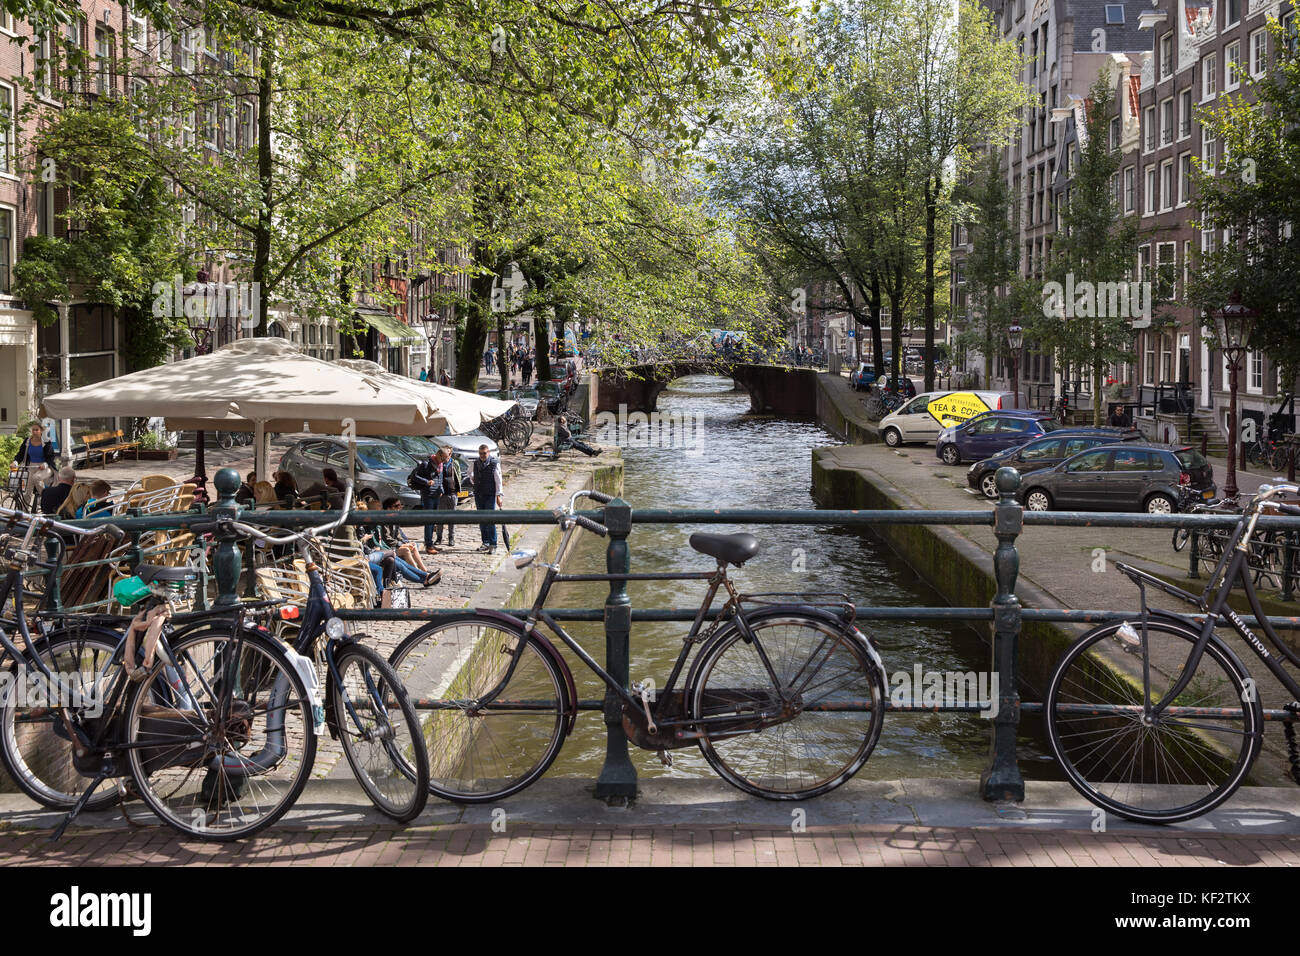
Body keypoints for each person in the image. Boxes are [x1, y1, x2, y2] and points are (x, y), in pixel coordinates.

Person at [379, 497, 437, 576]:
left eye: (400, 505)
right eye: (396, 506)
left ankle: (424, 570)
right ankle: (420, 573)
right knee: (406, 550)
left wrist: (405, 542)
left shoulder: (395, 517)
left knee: (413, 545)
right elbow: (387, 539)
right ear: (388, 508)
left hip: (394, 545)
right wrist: (401, 544)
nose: (399, 508)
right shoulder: (384, 520)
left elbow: (398, 535)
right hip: (387, 548)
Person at [407, 451, 443, 554]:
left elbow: (440, 478)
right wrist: (426, 482)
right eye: (443, 458)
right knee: (429, 521)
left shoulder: (440, 464)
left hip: (436, 494)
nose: (445, 460)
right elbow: (414, 476)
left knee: (433, 521)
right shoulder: (426, 464)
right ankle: (428, 545)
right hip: (428, 495)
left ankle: (431, 543)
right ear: (438, 455)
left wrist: (441, 490)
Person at [12, 422, 58, 501]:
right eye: (33, 430)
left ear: (41, 431)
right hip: (31, 466)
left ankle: (46, 499)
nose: (34, 432)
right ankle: (25, 511)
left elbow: (51, 457)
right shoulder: (27, 441)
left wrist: (45, 464)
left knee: (36, 477)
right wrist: (15, 462)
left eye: (37, 430)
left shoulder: (46, 442)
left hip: (45, 467)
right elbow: (21, 454)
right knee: (27, 491)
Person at [471, 443, 503, 553]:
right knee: (482, 519)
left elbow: (498, 480)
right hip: (479, 494)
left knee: (490, 519)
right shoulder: (475, 463)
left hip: (490, 494)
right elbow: (469, 473)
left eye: (484, 453)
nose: (482, 455)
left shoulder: (494, 463)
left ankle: (493, 544)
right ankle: (485, 542)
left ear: (488, 453)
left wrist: (499, 496)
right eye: (480, 453)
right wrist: (473, 480)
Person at [433, 448, 461, 548]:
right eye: (443, 457)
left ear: (450, 455)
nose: (445, 458)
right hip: (441, 494)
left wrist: (458, 489)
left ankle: (451, 538)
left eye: (447, 456)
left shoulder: (454, 464)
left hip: (452, 493)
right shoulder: (439, 464)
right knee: (440, 517)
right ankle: (439, 537)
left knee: (452, 518)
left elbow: (459, 476)